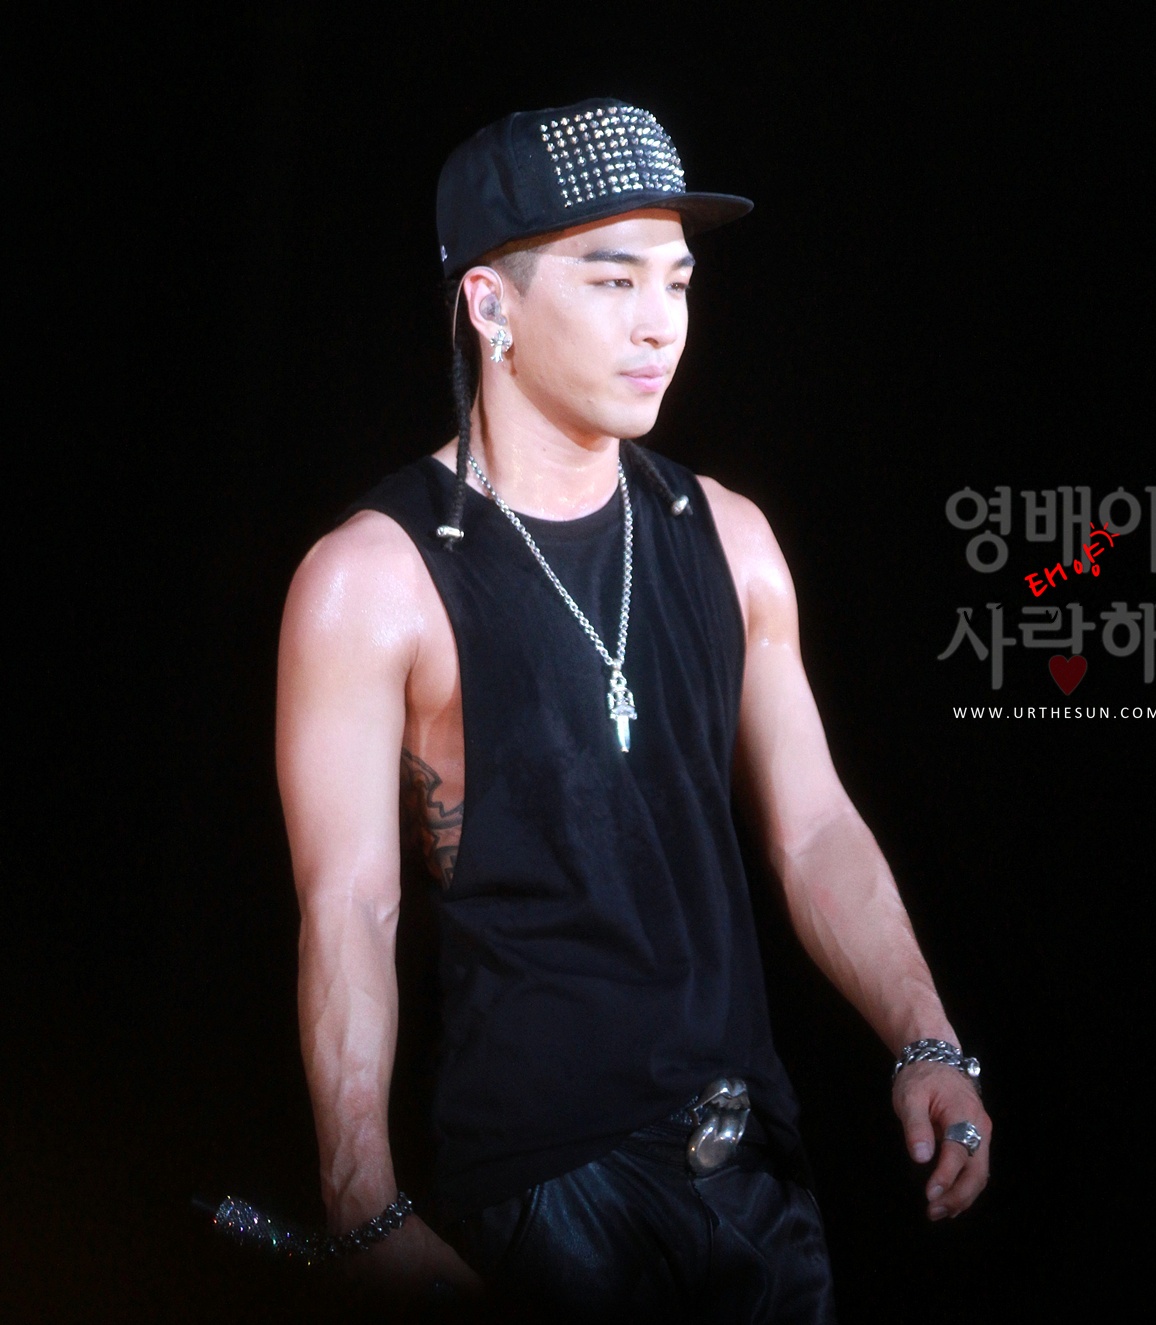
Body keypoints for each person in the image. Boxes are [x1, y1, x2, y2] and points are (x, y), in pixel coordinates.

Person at [276, 97, 991, 1322]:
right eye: (613, 281)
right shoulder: (373, 578)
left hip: (751, 1158)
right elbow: (350, 901)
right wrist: (362, 1198)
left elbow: (815, 824)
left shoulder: (731, 537)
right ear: (490, 305)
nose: (660, 322)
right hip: (544, 1183)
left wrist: (924, 1036)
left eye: (678, 281)